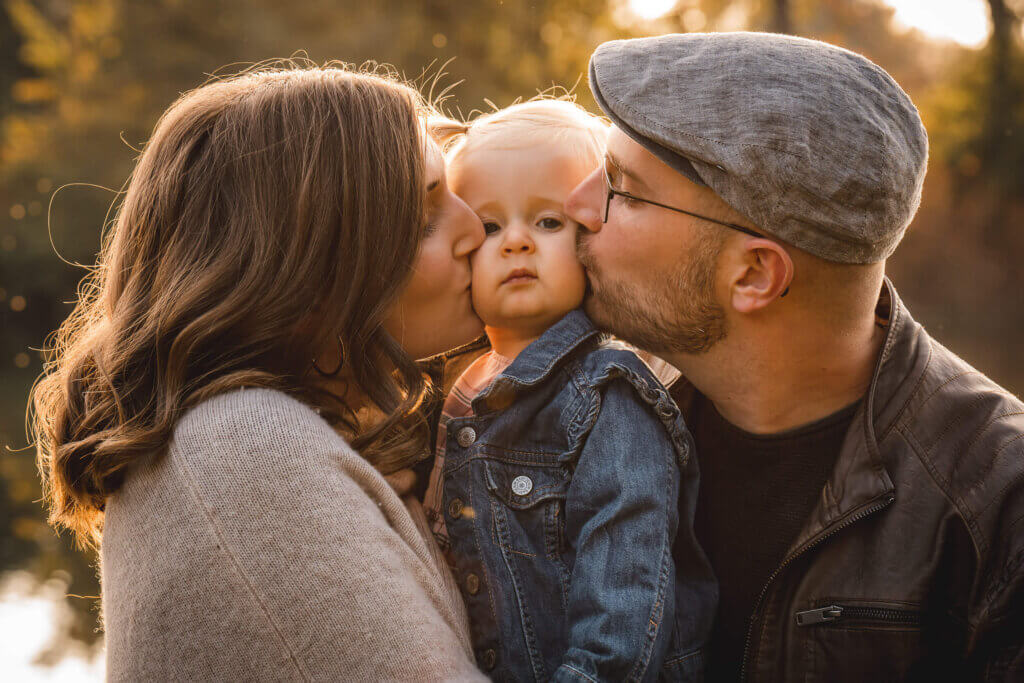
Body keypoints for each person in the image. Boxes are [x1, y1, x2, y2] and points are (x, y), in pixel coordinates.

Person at [563, 32, 1024, 681]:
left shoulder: (1001, 508)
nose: (576, 205)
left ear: (754, 274)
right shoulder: (589, 414)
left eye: (625, 190)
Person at [31, 64, 490, 681]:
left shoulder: (248, 436)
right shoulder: (244, 447)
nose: (477, 228)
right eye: (423, 219)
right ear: (306, 269)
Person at [421, 100, 717, 681]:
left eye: (548, 222)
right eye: (488, 226)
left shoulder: (609, 398)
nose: (516, 243)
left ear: (592, 237)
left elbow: (623, 623)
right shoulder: (456, 387)